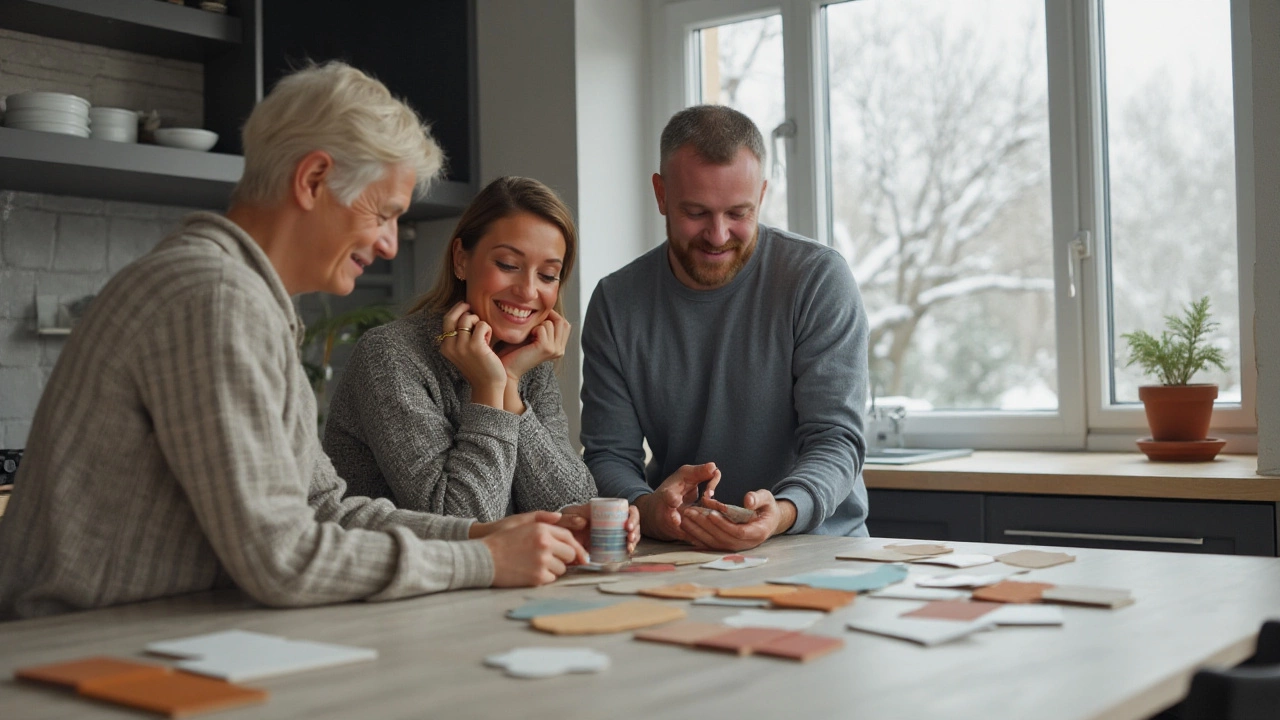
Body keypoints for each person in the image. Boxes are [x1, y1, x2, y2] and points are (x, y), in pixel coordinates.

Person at [0, 62, 589, 621]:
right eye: (383, 214)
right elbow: (278, 557)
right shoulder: (213, 296)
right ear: (313, 180)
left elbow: (323, 508)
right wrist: (482, 559)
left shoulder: (246, 297)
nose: (390, 244)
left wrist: (476, 532)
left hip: (154, 631)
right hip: (75, 647)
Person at [581, 104, 871, 552]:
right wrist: (647, 507)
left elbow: (836, 439)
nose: (718, 235)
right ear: (661, 194)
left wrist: (783, 513)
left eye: (739, 212)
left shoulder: (817, 279)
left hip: (816, 544)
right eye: (696, 212)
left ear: (762, 193)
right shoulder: (616, 303)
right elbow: (609, 455)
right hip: (684, 552)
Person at [323, 177, 637, 540]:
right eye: (507, 264)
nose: (528, 291)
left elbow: (575, 505)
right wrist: (489, 388)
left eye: (548, 274)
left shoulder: (528, 364)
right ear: (461, 259)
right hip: (403, 587)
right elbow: (462, 523)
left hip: (502, 583)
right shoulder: (390, 357)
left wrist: (512, 385)